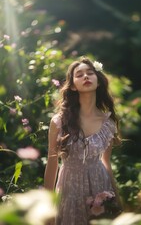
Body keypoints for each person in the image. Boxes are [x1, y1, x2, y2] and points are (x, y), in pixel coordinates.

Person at [44, 57, 122, 225]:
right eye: (79, 75)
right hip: (69, 189)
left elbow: (106, 162)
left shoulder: (108, 123)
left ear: (98, 81)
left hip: (100, 187)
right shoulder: (59, 122)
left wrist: (116, 198)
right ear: (72, 85)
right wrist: (46, 208)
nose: (86, 76)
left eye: (90, 73)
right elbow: (52, 164)